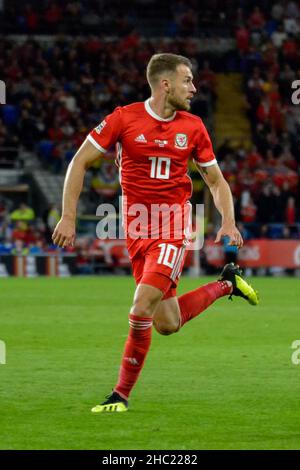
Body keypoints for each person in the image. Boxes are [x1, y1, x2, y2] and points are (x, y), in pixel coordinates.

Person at [52, 53, 259, 413]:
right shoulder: (124, 118)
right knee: (167, 323)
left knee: (141, 306)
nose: (193, 88)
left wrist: (228, 220)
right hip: (136, 231)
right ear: (166, 84)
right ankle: (228, 283)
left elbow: (215, 179)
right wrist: (68, 216)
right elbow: (80, 161)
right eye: (187, 81)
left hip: (173, 227)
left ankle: (120, 395)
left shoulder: (193, 126)